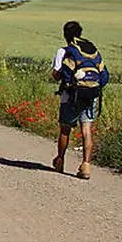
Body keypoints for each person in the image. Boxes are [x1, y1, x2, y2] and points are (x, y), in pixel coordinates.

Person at [51, 20, 109, 179]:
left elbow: (57, 74)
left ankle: (60, 161)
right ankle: (86, 165)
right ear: (80, 33)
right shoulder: (91, 50)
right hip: (90, 94)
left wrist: (61, 78)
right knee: (86, 130)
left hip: (70, 95)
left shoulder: (64, 51)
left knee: (65, 129)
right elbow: (104, 76)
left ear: (64, 35)